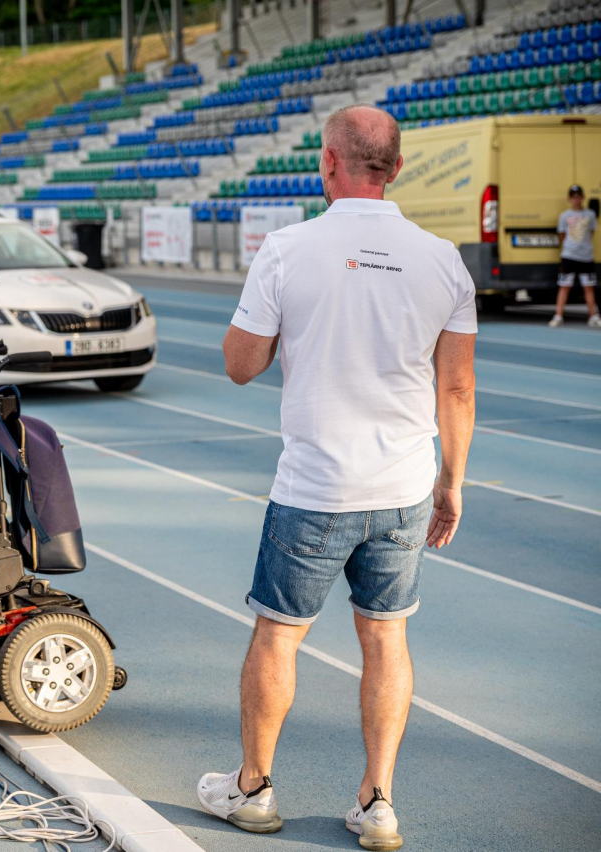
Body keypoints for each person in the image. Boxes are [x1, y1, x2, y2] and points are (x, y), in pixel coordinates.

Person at [200, 105, 477, 852]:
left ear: (328, 162)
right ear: (396, 168)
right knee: (386, 638)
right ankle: (377, 801)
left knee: (278, 635)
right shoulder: (442, 259)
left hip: (315, 488)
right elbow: (456, 388)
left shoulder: (288, 248)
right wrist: (452, 483)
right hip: (404, 488)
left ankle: (254, 790)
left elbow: (239, 365)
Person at [548, 184, 599, 328]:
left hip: (586, 256)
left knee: (589, 287)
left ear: (583, 198)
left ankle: (593, 316)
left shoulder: (590, 214)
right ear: (569, 199)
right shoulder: (564, 215)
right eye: (573, 197)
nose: (576, 200)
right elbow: (562, 235)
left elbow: (591, 233)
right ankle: (558, 315)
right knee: (564, 286)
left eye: (578, 197)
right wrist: (570, 247)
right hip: (569, 256)